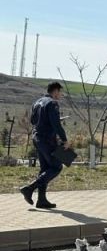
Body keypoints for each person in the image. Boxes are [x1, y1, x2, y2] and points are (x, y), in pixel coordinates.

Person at [19, 81, 69, 209]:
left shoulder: (37, 102)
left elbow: (33, 121)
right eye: (60, 92)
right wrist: (64, 140)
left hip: (38, 138)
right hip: (48, 139)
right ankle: (29, 188)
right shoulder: (52, 103)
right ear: (56, 91)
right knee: (57, 167)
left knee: (45, 169)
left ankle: (41, 200)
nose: (60, 95)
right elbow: (56, 125)